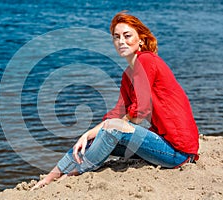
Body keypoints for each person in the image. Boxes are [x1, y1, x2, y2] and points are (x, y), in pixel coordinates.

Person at [32, 11, 199, 190]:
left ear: (141, 39)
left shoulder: (147, 60)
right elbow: (118, 112)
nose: (121, 41)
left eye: (127, 36)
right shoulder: (128, 74)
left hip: (178, 152)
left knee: (111, 129)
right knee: (96, 137)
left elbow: (140, 111)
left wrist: (106, 127)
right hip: (161, 143)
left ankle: (75, 173)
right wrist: (87, 134)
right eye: (116, 37)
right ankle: (50, 178)